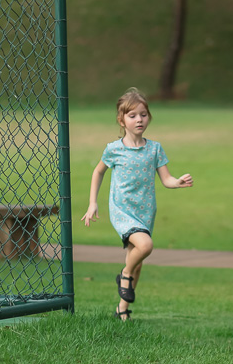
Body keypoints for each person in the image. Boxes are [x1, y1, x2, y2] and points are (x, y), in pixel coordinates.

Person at [81, 87, 193, 320]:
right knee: (146, 246)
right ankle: (125, 274)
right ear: (121, 120)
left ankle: (122, 310)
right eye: (132, 115)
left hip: (146, 211)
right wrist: (93, 203)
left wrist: (178, 182)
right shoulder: (114, 149)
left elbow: (166, 179)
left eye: (143, 114)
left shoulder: (155, 149)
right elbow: (98, 172)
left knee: (138, 261)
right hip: (122, 210)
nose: (139, 119)